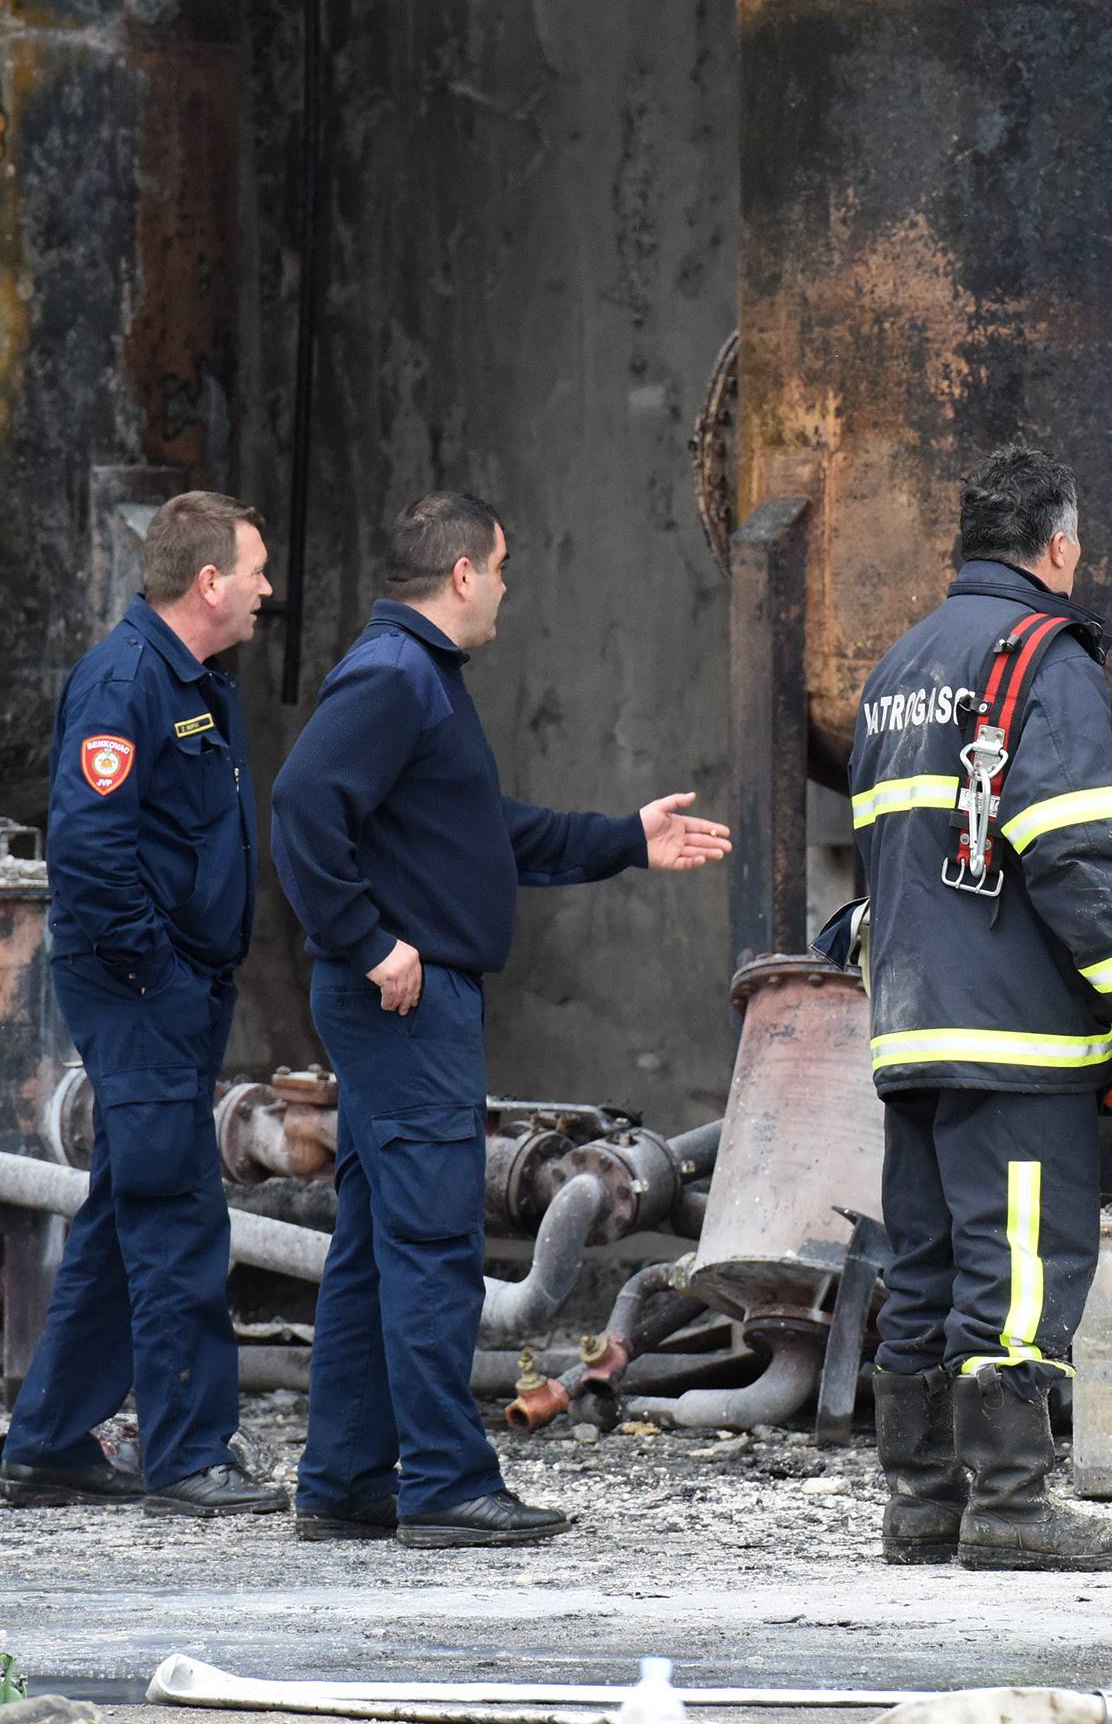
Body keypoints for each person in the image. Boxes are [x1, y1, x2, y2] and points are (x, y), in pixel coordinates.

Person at [270, 492, 729, 1549]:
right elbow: (302, 802)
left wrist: (622, 837)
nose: (510, 589)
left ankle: (344, 1476)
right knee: (432, 1239)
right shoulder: (394, 675)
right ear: (464, 572)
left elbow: (478, 833)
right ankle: (442, 1483)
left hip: (403, 1000)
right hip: (403, 1000)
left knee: (375, 1248)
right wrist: (369, 939)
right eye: (505, 566)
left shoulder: (418, 679)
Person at [848, 444, 1112, 1572]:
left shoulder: (897, 667)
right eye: (1078, 542)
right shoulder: (1043, 657)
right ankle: (1009, 1507)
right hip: (1017, 1033)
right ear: (1058, 546)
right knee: (1022, 1264)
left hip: (912, 1026)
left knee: (928, 1259)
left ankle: (921, 1504)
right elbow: (1075, 845)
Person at [1, 492, 284, 1517]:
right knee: (177, 1214)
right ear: (209, 581)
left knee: (126, 1213)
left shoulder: (197, 677)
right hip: (140, 989)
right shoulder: (126, 680)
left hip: (174, 984)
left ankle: (46, 1442)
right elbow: (89, 850)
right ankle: (187, 1451)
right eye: (256, 570)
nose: (267, 589)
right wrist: (158, 976)